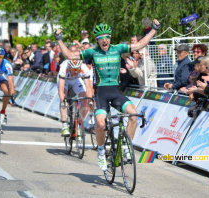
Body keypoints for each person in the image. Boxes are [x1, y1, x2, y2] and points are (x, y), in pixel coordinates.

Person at [54, 18, 161, 171]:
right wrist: (59, 40)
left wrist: (154, 30)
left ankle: (125, 145)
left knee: (134, 115)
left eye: (107, 37)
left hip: (116, 92)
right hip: (101, 94)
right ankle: (101, 151)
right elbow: (70, 56)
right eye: (101, 38)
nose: (104, 40)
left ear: (110, 38)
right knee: (101, 124)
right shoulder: (92, 52)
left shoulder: (118, 48)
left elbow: (139, 44)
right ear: (97, 40)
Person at [58, 56, 93, 136]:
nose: (76, 72)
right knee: (64, 100)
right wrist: (63, 100)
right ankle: (64, 125)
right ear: (69, 67)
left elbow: (88, 87)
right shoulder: (64, 68)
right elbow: (61, 88)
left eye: (78, 69)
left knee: (85, 100)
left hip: (76, 81)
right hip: (65, 80)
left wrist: (90, 100)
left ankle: (78, 125)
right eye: (74, 69)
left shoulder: (84, 69)